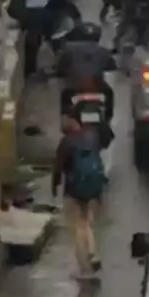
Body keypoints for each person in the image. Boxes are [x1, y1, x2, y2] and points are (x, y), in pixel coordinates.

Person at [52, 113, 106, 278]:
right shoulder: (91, 137)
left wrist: (54, 187)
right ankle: (93, 253)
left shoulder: (66, 143)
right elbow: (98, 162)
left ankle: (84, 269)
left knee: (76, 227)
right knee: (86, 223)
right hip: (92, 189)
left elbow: (58, 168)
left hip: (73, 191)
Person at [55, 22, 117, 129]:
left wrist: (59, 73)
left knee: (65, 96)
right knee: (109, 93)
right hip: (97, 86)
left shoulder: (67, 49)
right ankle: (107, 121)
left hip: (74, 88)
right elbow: (112, 66)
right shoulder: (103, 50)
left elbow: (60, 67)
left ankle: (66, 120)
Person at [17, 0, 62, 79]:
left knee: (32, 41)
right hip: (46, 12)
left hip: (29, 11)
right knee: (54, 39)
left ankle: (29, 70)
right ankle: (61, 65)